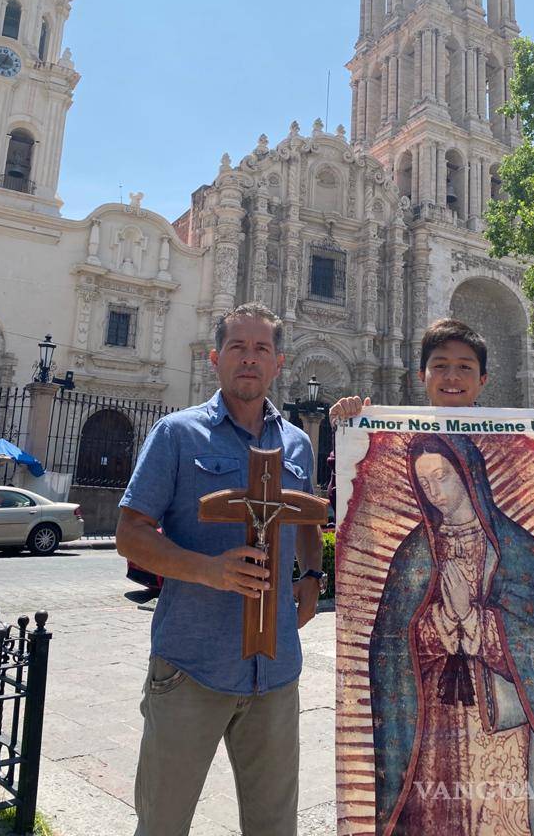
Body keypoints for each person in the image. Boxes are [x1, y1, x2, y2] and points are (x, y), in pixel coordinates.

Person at [116, 303, 324, 836]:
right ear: (216, 359)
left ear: (279, 362)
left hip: (275, 670)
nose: (249, 359)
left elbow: (306, 513)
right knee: (163, 821)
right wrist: (210, 570)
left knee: (275, 825)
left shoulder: (296, 442)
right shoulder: (177, 435)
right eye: (237, 347)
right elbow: (130, 534)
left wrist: (310, 575)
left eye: (261, 349)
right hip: (192, 665)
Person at [370, 432, 534, 836]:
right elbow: (389, 646)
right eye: (425, 483)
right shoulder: (415, 551)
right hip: (435, 729)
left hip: (505, 730)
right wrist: (438, 626)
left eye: (442, 476)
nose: (434, 492)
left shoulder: (516, 548)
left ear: (469, 474)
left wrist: (474, 621)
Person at [330, 317, 534, 424]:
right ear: (421, 375)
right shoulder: (392, 429)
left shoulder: (510, 434)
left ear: (483, 378)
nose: (452, 377)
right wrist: (349, 431)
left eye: (465, 366)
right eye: (439, 365)